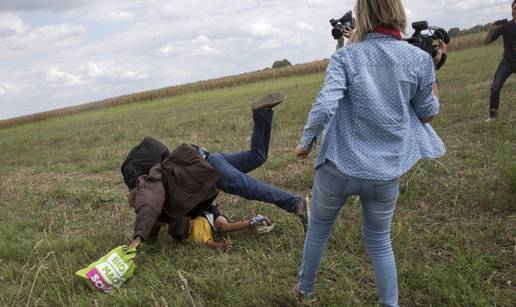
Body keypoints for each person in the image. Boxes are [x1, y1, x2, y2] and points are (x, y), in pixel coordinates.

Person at [291, 0, 447, 306]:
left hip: (338, 165)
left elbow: (325, 104)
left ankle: (305, 290)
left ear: (362, 15)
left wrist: (306, 142)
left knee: (319, 231)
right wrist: (434, 68)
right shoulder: (418, 59)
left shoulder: (346, 57)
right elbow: (427, 113)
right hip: (385, 172)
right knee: (379, 242)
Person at [128, 93, 310, 249]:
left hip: (212, 170)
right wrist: (148, 238)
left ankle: (296, 204)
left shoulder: (147, 184)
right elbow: (157, 216)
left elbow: (149, 205)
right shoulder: (169, 197)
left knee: (248, 187)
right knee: (257, 156)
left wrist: (137, 238)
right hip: (211, 160)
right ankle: (262, 113)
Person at [168, 202, 274, 252]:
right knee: (223, 227)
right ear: (188, 231)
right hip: (213, 220)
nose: (191, 221)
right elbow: (210, 244)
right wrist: (222, 245)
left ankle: (210, 202)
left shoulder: (179, 223)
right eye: (190, 223)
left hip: (204, 211)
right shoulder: (197, 236)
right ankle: (254, 221)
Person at [484, 0, 516, 121]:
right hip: (507, 62)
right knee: (495, 88)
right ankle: (493, 117)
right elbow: (486, 42)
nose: (514, 12)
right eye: (513, 9)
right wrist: (490, 30)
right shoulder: (506, 26)